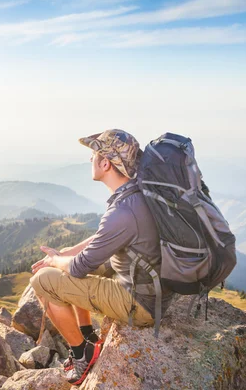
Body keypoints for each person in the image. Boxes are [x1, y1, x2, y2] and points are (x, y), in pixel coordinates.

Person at [30, 129, 174, 385]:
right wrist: (64, 253)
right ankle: (88, 335)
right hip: (154, 288)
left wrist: (55, 261)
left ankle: (82, 354)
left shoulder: (123, 210)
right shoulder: (137, 194)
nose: (90, 160)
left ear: (105, 163)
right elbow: (101, 240)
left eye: (94, 155)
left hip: (141, 305)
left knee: (42, 281)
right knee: (71, 265)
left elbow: (78, 268)